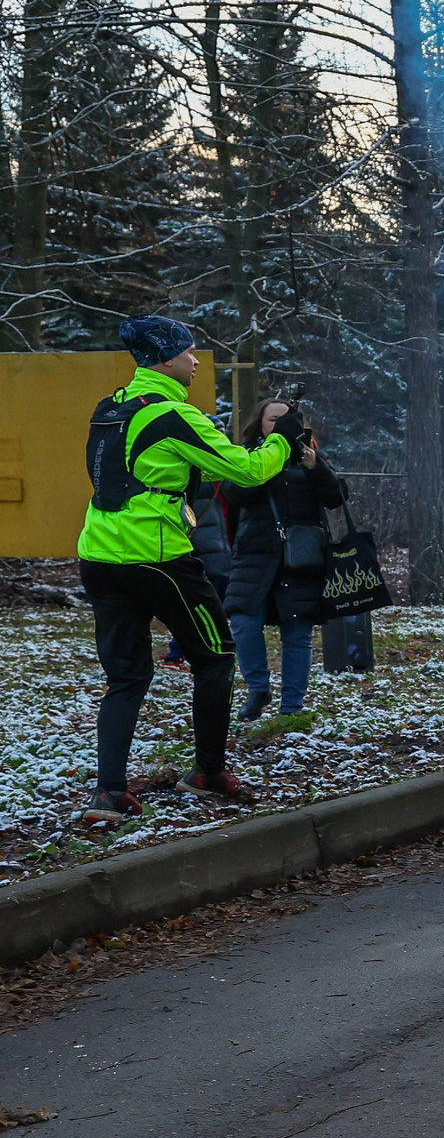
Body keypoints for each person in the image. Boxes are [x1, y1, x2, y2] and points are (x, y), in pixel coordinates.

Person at [76, 315, 295, 823]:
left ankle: (109, 794)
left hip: (98, 555)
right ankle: (209, 773)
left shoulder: (110, 408)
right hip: (156, 557)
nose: (196, 360)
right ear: (165, 357)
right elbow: (247, 469)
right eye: (189, 352)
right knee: (216, 657)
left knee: (126, 677)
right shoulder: (174, 414)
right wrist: (282, 437)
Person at [223, 398, 348, 722]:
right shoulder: (247, 456)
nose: (278, 425)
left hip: (301, 558)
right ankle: (257, 688)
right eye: (271, 420)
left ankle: (291, 708)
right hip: (254, 555)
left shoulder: (312, 456)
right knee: (243, 622)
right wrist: (270, 463)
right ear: (259, 424)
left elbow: (336, 497)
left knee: (298, 633)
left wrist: (314, 467)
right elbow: (234, 493)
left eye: (284, 420)